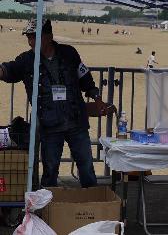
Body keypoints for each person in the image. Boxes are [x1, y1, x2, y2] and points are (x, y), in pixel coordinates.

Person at [0, 19, 109, 188]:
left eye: (35, 37)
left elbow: (85, 78)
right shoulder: (27, 59)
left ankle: (92, 201)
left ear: (49, 36)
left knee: (86, 165)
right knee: (50, 169)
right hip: (49, 125)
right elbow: (10, 70)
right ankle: (48, 207)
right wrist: (2, 71)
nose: (31, 42)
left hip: (76, 120)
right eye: (29, 38)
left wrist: (97, 97)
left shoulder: (69, 53)